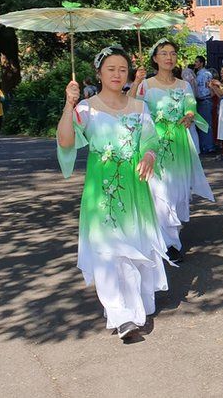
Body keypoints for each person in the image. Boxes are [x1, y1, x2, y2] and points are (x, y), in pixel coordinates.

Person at [56, 45, 168, 341]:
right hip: (102, 194)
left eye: (122, 69)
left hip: (134, 191)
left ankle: (133, 305)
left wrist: (149, 157)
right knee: (108, 252)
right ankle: (120, 315)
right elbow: (66, 142)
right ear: (99, 73)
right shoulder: (86, 108)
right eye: (111, 69)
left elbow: (151, 142)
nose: (117, 74)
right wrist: (69, 104)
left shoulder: (139, 107)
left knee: (133, 246)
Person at [130, 39, 215, 263]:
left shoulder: (184, 85)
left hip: (178, 145)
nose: (169, 57)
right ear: (155, 58)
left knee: (178, 194)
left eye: (173, 53)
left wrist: (188, 116)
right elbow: (129, 106)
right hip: (154, 145)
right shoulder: (145, 85)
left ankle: (172, 237)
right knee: (160, 194)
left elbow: (190, 106)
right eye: (164, 53)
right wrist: (136, 81)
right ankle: (169, 245)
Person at [193, 56, 216, 154]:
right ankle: (204, 145)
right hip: (199, 100)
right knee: (201, 124)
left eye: (197, 62)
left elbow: (208, 87)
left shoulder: (206, 74)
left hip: (205, 99)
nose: (195, 63)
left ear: (202, 63)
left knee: (206, 124)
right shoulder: (197, 74)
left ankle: (209, 146)